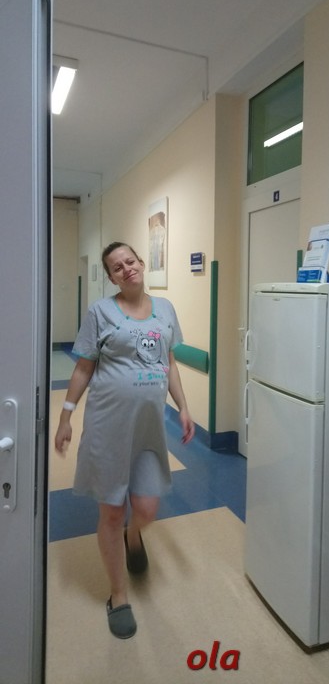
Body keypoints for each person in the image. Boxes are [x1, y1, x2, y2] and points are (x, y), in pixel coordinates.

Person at [54, 242, 195, 640]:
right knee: (112, 512)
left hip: (149, 429)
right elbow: (84, 367)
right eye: (117, 267)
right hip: (107, 427)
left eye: (130, 261)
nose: (126, 268)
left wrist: (184, 406)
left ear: (141, 263)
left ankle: (135, 536)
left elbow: (169, 362)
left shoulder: (165, 309)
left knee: (146, 508)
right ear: (111, 277)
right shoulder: (100, 312)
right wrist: (65, 416)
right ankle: (118, 596)